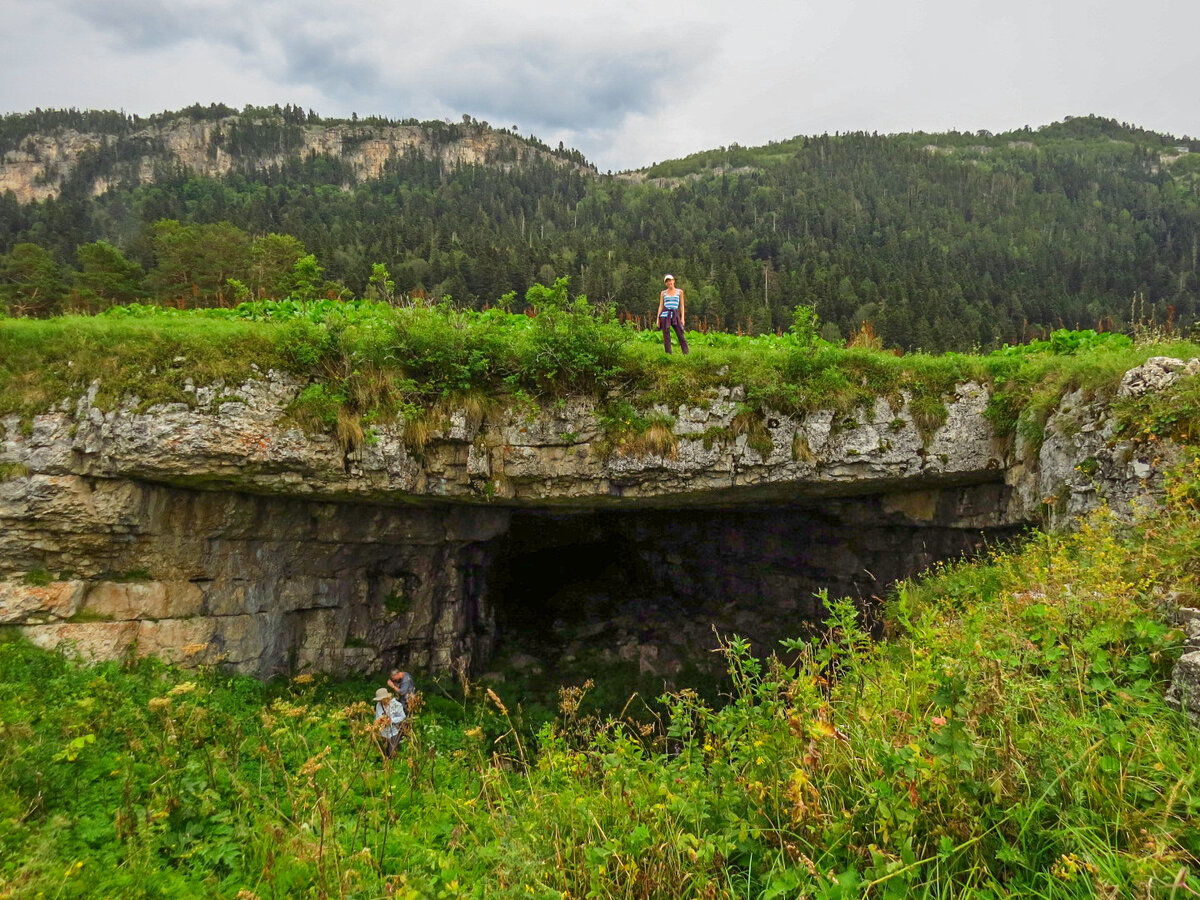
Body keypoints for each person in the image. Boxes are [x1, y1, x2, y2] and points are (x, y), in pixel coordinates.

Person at [656, 274, 689, 355]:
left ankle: (686, 353)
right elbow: (661, 306)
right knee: (666, 336)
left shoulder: (679, 292)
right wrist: (658, 319)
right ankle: (668, 354)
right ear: (665, 283)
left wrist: (682, 318)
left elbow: (682, 306)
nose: (669, 282)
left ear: (673, 281)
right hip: (665, 315)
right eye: (667, 281)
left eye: (670, 280)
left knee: (680, 334)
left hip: (675, 314)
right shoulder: (663, 293)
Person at [373, 687, 406, 757]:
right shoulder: (379, 705)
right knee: (384, 753)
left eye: (382, 699)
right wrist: (380, 721)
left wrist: (391, 720)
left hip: (394, 732)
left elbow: (403, 717)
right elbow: (377, 717)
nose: (381, 701)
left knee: (392, 753)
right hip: (383, 733)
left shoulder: (396, 705)